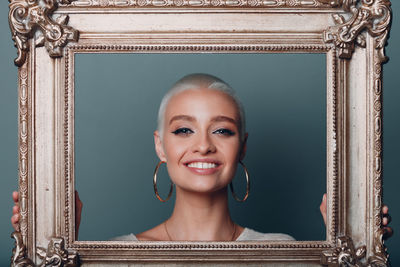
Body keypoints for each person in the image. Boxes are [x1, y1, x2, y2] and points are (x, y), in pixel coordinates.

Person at [11, 73, 393, 241]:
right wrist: (50, 248)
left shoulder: (281, 251)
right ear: (161, 145)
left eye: (222, 130)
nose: (204, 146)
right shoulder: (117, 254)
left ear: (242, 147)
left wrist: (350, 248)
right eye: (183, 130)